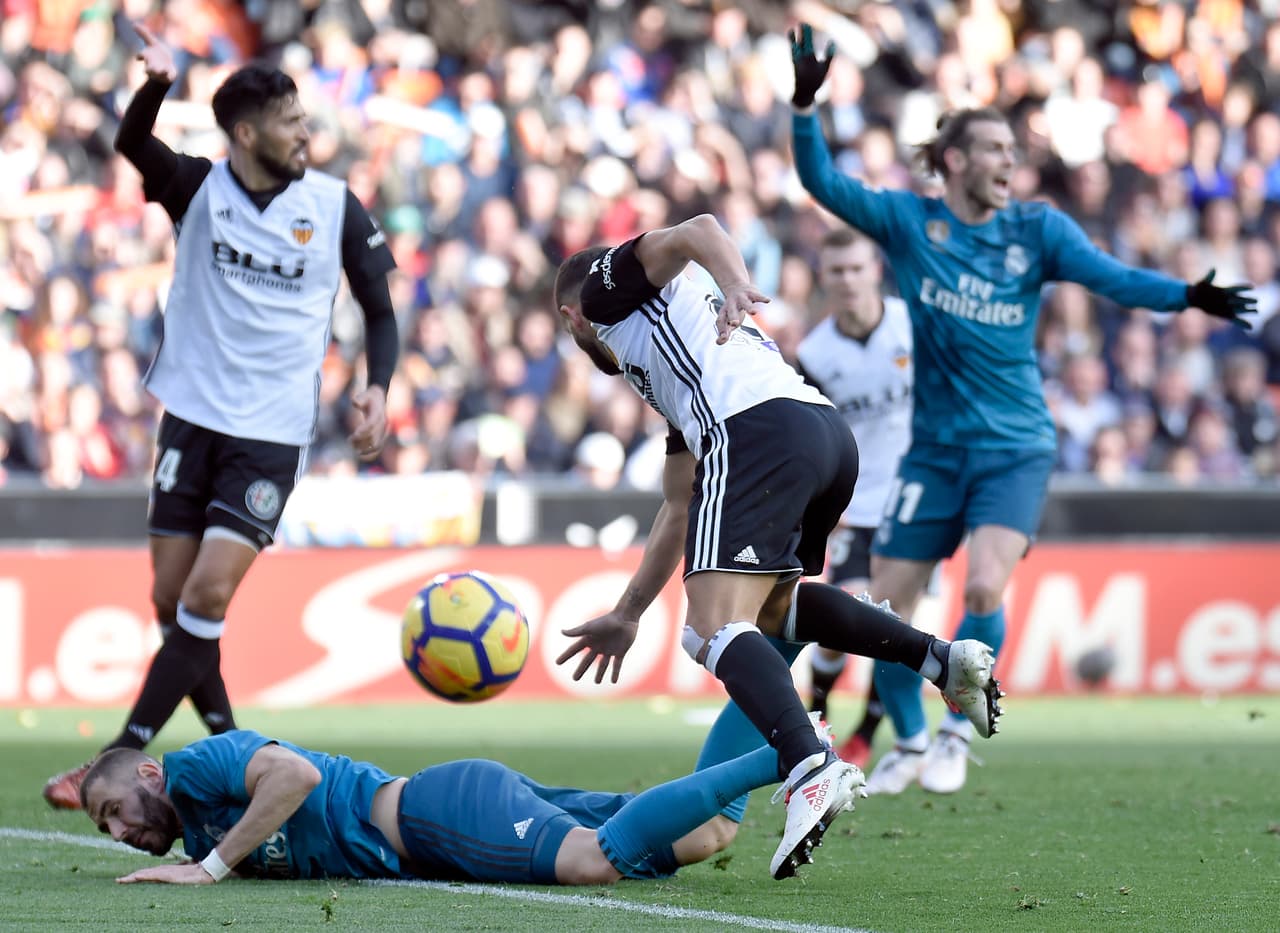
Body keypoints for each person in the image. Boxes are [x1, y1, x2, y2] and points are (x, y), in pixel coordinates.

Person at [788, 24, 1255, 796]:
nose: (1010, 161)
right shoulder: (912, 224)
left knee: (981, 589)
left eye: (1012, 149)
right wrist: (806, 106)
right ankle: (906, 737)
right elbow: (822, 185)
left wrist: (1187, 295)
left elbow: (1111, 279)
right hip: (933, 451)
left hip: (1014, 444)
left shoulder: (1036, 230)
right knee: (886, 610)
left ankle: (951, 734)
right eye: (996, 149)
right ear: (956, 160)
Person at [550, 213, 1002, 879]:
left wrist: (735, 282)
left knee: (709, 628)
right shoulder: (673, 361)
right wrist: (628, 611)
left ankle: (809, 762)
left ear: (570, 317)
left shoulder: (603, 294)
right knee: (771, 614)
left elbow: (695, 228)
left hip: (757, 430)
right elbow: (679, 506)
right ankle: (938, 658)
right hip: (822, 433)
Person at [43, 24, 399, 809]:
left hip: (269, 435)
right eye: (289, 120)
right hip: (192, 419)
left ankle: (115, 756)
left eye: (304, 117)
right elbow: (132, 139)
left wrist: (378, 384)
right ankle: (238, 759)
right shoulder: (198, 188)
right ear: (245, 133)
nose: (306, 131)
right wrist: (158, 81)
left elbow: (379, 308)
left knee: (203, 601)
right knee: (172, 604)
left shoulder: (335, 206)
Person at [80, 728, 772, 885]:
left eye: (114, 808)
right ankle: (771, 652)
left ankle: (793, 753)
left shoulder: (194, 766)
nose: (118, 830)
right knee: (705, 835)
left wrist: (211, 868)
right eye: (104, 825)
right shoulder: (194, 821)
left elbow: (292, 775)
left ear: (148, 772)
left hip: (437, 813)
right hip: (450, 821)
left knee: (596, 863)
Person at [794, 227, 913, 770]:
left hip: (914, 499)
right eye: (836, 270)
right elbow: (813, 433)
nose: (847, 280)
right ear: (824, 276)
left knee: (895, 622)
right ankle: (817, 710)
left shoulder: (911, 326)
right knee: (848, 624)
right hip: (855, 507)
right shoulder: (815, 353)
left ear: (876, 270)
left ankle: (865, 732)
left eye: (856, 268)